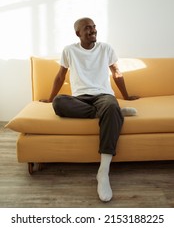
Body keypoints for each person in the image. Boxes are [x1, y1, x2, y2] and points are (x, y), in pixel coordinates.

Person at [41, 17, 139, 202]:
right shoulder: (69, 50)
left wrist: (125, 96)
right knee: (59, 103)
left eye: (94, 27)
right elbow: (60, 76)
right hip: (80, 99)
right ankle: (112, 113)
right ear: (78, 33)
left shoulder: (105, 48)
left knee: (110, 104)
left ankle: (103, 172)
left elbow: (116, 73)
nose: (93, 30)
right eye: (88, 28)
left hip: (103, 95)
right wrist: (50, 98)